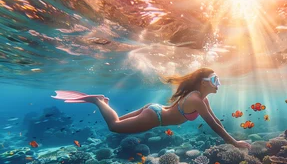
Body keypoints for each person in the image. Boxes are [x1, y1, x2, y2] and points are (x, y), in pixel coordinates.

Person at [52, 68, 251, 149]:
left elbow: (215, 121)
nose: (218, 83)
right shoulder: (197, 98)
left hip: (155, 109)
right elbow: (214, 127)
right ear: (204, 82)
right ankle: (98, 101)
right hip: (155, 117)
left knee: (118, 121)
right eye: (215, 80)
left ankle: (103, 101)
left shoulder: (201, 99)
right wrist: (235, 143)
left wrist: (233, 140)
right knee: (114, 125)